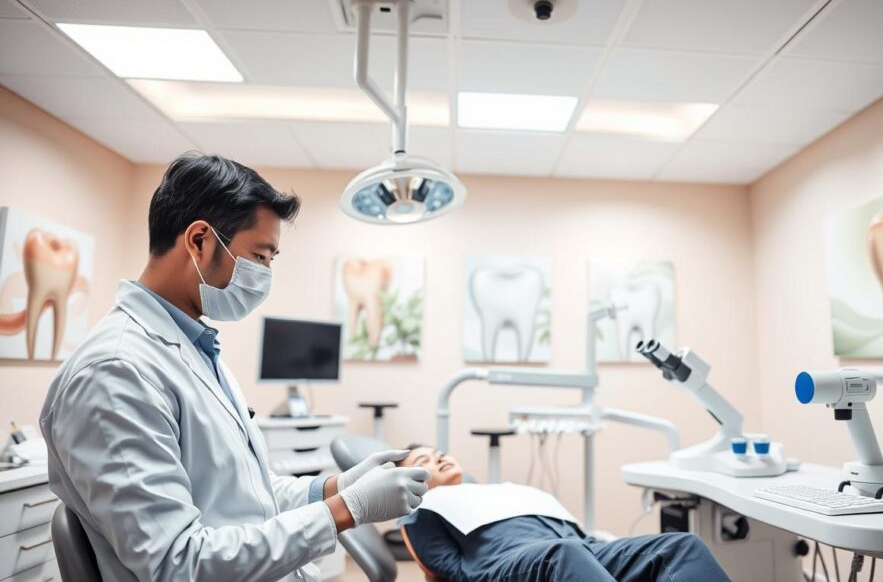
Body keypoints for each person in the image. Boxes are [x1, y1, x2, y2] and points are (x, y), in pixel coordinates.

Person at [40, 153, 430, 582]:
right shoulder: (116, 373)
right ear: (200, 240)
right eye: (260, 257)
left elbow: (245, 494)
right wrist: (345, 511)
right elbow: (178, 564)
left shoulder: (197, 350)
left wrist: (335, 487)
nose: (265, 274)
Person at [397, 444, 730, 582]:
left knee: (680, 545)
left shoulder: (505, 490)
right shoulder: (424, 507)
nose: (437, 458)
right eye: (422, 461)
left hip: (579, 547)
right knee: (564, 554)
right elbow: (451, 570)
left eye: (439, 452)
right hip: (509, 563)